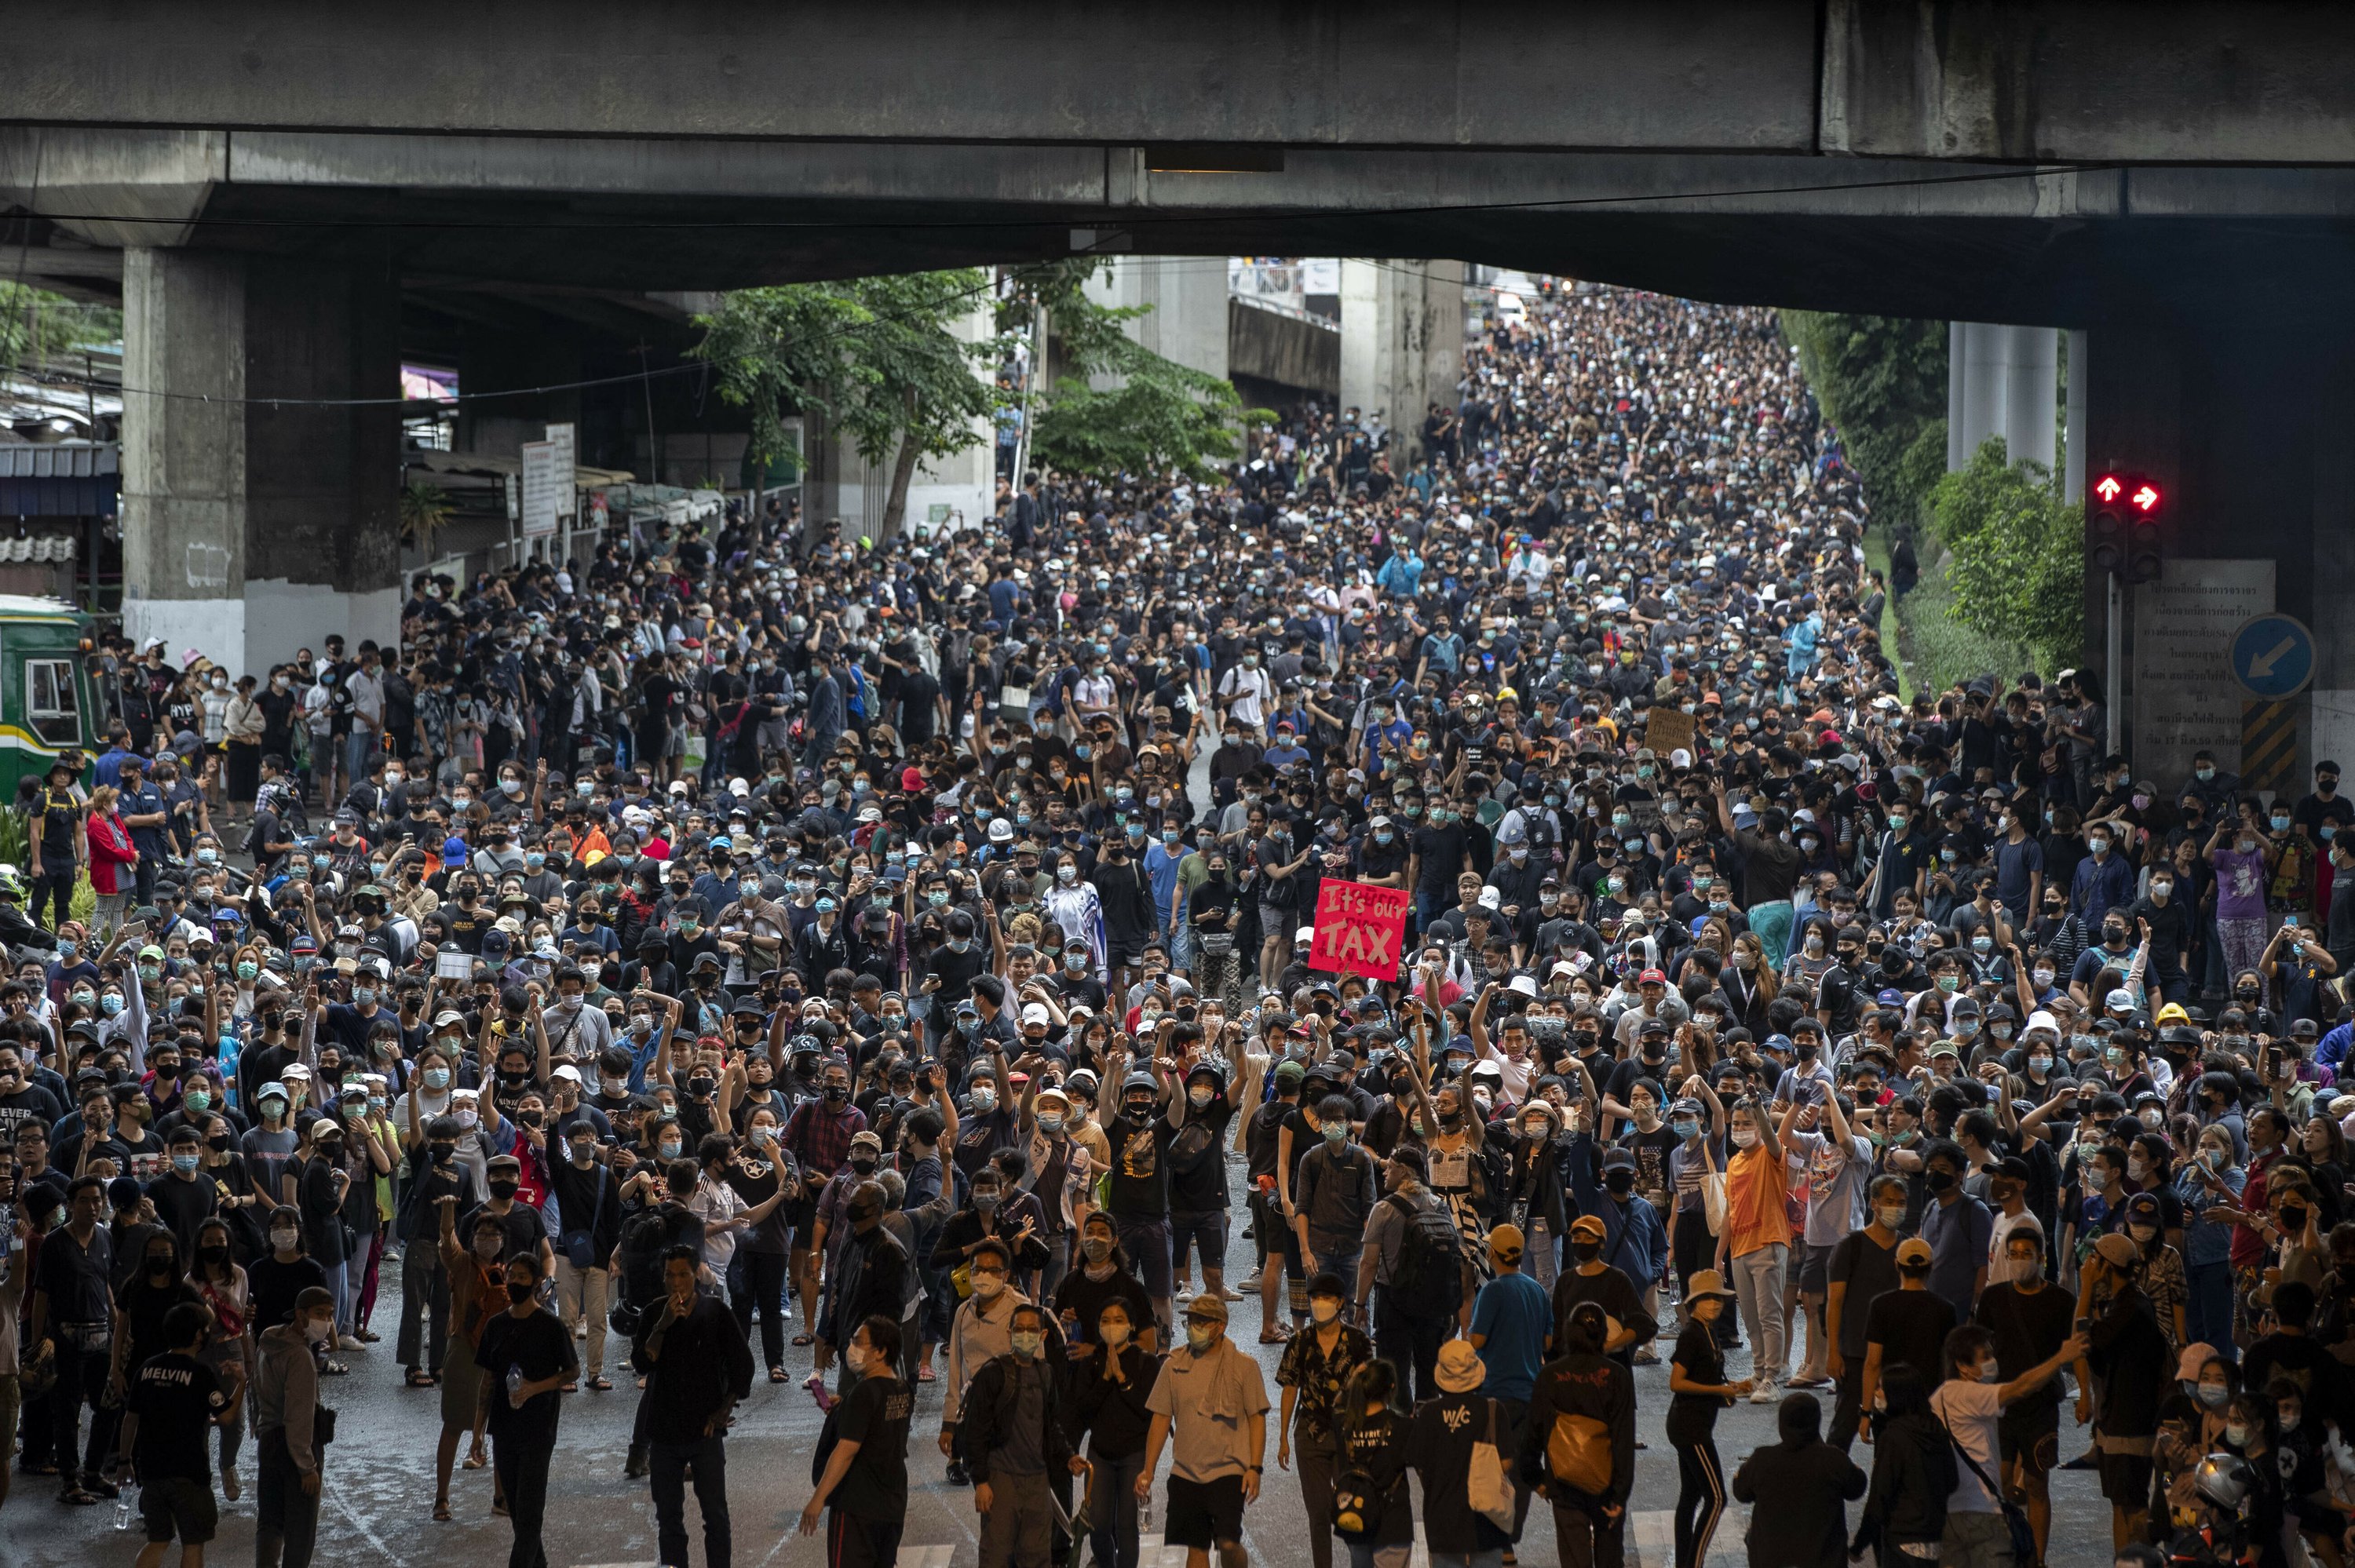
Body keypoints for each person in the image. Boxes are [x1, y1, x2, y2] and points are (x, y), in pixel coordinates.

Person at [633, 1243, 755, 1568]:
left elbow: (744, 1366)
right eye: (670, 1275)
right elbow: (643, 1364)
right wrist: (664, 1324)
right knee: (668, 1518)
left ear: (696, 1274)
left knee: (715, 1515)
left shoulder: (716, 1312)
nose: (676, 1283)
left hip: (705, 1433)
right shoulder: (653, 1313)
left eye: (683, 1275)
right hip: (663, 1432)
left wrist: (725, 1407)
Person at [1930, 1320, 2090, 1568]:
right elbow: (2021, 1388)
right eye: (1985, 1356)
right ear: (1963, 1366)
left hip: (1948, 1515)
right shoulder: (1968, 1394)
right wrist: (2060, 1358)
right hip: (1981, 1513)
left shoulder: (1939, 1397)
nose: (1992, 1361)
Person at [1137, 1293, 1269, 1568]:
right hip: (1186, 1473)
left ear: (1220, 1326)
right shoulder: (1174, 1365)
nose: (1193, 1327)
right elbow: (1161, 1420)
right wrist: (1148, 1470)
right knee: (1197, 1550)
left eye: (1201, 1321)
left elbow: (1257, 1419)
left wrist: (1255, 1468)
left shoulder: (1245, 1367)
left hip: (1229, 1471)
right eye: (1190, 1321)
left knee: (1228, 1544)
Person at [1971, 1220, 2076, 1563]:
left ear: (2041, 1258)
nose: (2018, 1260)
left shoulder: (2060, 1300)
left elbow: (2073, 1350)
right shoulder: (1993, 1297)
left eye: (2026, 1254)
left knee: (2036, 1486)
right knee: (1998, 1484)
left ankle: (2038, 1559)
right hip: (2000, 1406)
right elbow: (1977, 1344)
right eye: (2012, 1254)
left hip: (2041, 1408)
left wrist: (2087, 1394)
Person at [474, 1251, 579, 1568]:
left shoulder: (550, 1326)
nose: (515, 1282)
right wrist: (477, 1433)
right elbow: (488, 1382)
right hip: (504, 1428)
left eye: (522, 1277)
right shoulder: (496, 1326)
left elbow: (572, 1372)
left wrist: (536, 1387)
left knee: (530, 1509)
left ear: (535, 1283)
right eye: (512, 1276)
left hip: (538, 1427)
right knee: (517, 1510)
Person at [115, 1300, 239, 1568]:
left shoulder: (146, 1369)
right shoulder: (199, 1373)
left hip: (151, 1472)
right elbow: (227, 1416)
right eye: (205, 1329)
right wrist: (242, 1383)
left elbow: (130, 1419)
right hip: (189, 1474)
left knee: (157, 1541)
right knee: (192, 1545)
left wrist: (125, 1462)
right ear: (197, 1335)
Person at [1522, 1300, 1634, 1568]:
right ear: (1604, 1334)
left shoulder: (1550, 1375)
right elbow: (1623, 1438)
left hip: (1563, 1484)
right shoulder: (1616, 1376)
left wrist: (1536, 1479)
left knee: (1574, 1558)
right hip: (1606, 1486)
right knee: (1610, 1559)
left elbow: (1533, 1433)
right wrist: (1620, 1495)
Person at [1276, 1271, 1375, 1568]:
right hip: (1311, 1433)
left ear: (1340, 1303)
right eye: (1315, 1298)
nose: (1320, 1304)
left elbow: (1371, 1392)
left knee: (1353, 1510)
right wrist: (1283, 1437)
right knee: (1318, 1513)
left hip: (1350, 1435)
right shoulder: (1300, 1342)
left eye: (1326, 1298)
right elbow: (1290, 1388)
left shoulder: (1358, 1343)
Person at [961, 1300, 1068, 1568]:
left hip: (1038, 1482)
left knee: (1036, 1556)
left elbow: (1052, 1425)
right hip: (1001, 1481)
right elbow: (975, 1431)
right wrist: (981, 1482)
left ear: (1043, 1335)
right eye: (1019, 1329)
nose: (1025, 1335)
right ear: (1009, 1333)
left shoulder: (1046, 1374)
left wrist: (1068, 1456)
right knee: (996, 1556)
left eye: (1032, 1330)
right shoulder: (993, 1374)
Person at [800, 1315, 914, 1568]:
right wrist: (844, 1408)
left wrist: (818, 1499)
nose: (851, 1347)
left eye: (859, 1342)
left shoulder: (863, 1394)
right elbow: (879, 1428)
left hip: (857, 1508)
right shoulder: (902, 1389)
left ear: (881, 1351)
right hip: (892, 1505)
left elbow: (846, 1451)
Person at [1402, 1338, 1519, 1567]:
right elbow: (1505, 1463)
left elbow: (1419, 1463)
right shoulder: (1493, 1411)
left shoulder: (1429, 1413)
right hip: (1486, 1519)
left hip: (1441, 1517)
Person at [1067, 1296, 1162, 1568]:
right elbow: (1082, 1410)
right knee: (1098, 1528)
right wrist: (1106, 1377)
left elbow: (1148, 1412)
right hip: (1100, 1456)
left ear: (1132, 1326)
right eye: (1106, 1321)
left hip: (1134, 1455)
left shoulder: (1147, 1363)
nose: (1112, 1326)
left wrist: (1122, 1379)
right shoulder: (1092, 1363)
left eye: (1119, 1320)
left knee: (1126, 1529)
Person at [1665, 1270, 1751, 1568]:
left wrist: (1734, 1388)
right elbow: (1676, 1382)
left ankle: (1685, 1562)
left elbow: (1711, 1377)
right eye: (1706, 1298)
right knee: (1716, 1499)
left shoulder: (1708, 1330)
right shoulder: (1691, 1334)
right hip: (1691, 1428)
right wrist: (1718, 1389)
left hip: (1692, 1423)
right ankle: (1694, 1562)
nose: (1714, 1303)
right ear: (1694, 1302)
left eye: (1718, 1298)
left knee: (1690, 1495)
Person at [1729, 1391, 1866, 1568]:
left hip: (1771, 1560)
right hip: (1823, 1560)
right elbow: (1857, 1488)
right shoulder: (1833, 1460)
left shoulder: (1762, 1459)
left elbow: (1741, 1492)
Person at [253, 1285, 335, 1568]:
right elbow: (299, 1415)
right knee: (300, 1532)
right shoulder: (299, 1356)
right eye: (320, 1314)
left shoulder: (268, 1343)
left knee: (270, 1522)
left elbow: (256, 1389)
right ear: (300, 1315)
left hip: (269, 1441)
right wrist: (306, 1466)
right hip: (295, 1448)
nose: (326, 1322)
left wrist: (259, 1426)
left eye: (330, 1315)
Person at [1857, 1238, 1957, 1446]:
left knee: (1889, 1467)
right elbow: (1949, 1366)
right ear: (1931, 1266)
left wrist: (1866, 1412)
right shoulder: (1945, 1309)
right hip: (1930, 1405)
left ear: (1897, 1265)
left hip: (1889, 1403)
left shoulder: (1880, 1305)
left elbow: (1873, 1363)